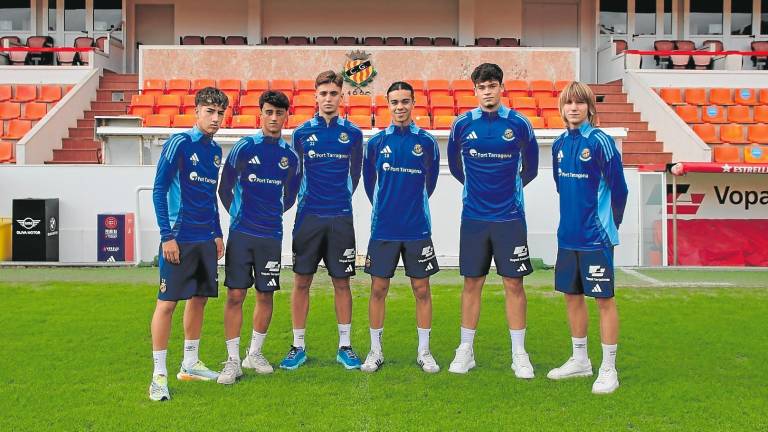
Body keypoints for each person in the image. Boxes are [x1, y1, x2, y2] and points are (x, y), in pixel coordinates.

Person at [446, 63, 539, 377]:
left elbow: (532, 169)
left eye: (492, 86)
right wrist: (480, 192)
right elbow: (456, 169)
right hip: (473, 217)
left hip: (510, 218)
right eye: (482, 87)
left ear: (502, 88)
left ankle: (519, 353)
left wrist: (505, 193)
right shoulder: (461, 125)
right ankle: (465, 351)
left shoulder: (519, 124)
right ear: (475, 91)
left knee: (514, 283)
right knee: (472, 282)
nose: (487, 92)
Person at [280, 71, 364, 370]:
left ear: (342, 96)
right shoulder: (301, 134)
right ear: (315, 96)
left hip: (340, 218)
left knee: (342, 282)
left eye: (333, 93)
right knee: (302, 281)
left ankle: (345, 345)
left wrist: (338, 200)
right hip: (308, 219)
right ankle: (297, 346)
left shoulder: (353, 134)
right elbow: (294, 175)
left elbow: (355, 175)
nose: (328, 99)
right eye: (323, 94)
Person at [547, 81, 627, 394]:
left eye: (579, 103)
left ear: (589, 107)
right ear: (562, 108)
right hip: (568, 237)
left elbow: (620, 190)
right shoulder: (558, 145)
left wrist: (609, 227)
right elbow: (559, 186)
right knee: (572, 296)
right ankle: (580, 360)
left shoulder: (601, 142)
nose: (574, 108)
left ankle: (609, 368)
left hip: (596, 238)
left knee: (604, 300)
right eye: (568, 103)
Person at [149, 87, 228, 401]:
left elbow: (210, 197)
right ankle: (158, 375)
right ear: (196, 112)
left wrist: (218, 232)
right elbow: (158, 190)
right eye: (210, 111)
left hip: (205, 239)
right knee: (167, 304)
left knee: (200, 299)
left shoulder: (215, 151)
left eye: (220, 113)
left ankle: (190, 364)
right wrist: (166, 235)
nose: (215, 118)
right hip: (178, 239)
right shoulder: (179, 143)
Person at [216, 91, 300, 385]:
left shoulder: (290, 158)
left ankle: (255, 353)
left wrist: (270, 214)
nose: (274, 118)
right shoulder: (244, 147)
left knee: (266, 294)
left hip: (271, 236)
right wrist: (240, 216)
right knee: (236, 295)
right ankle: (232, 360)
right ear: (260, 114)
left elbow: (290, 197)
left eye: (279, 113)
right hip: (241, 234)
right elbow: (224, 189)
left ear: (286, 116)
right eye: (268, 112)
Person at [360, 81, 441, 373]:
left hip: (417, 228)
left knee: (421, 289)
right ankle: (375, 350)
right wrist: (386, 208)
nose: (400, 107)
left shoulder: (428, 143)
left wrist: (410, 206)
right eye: (394, 102)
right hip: (383, 229)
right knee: (378, 288)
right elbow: (370, 185)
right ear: (387, 105)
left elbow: (429, 184)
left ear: (414, 103)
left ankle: (424, 352)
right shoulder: (376, 143)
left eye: (405, 101)